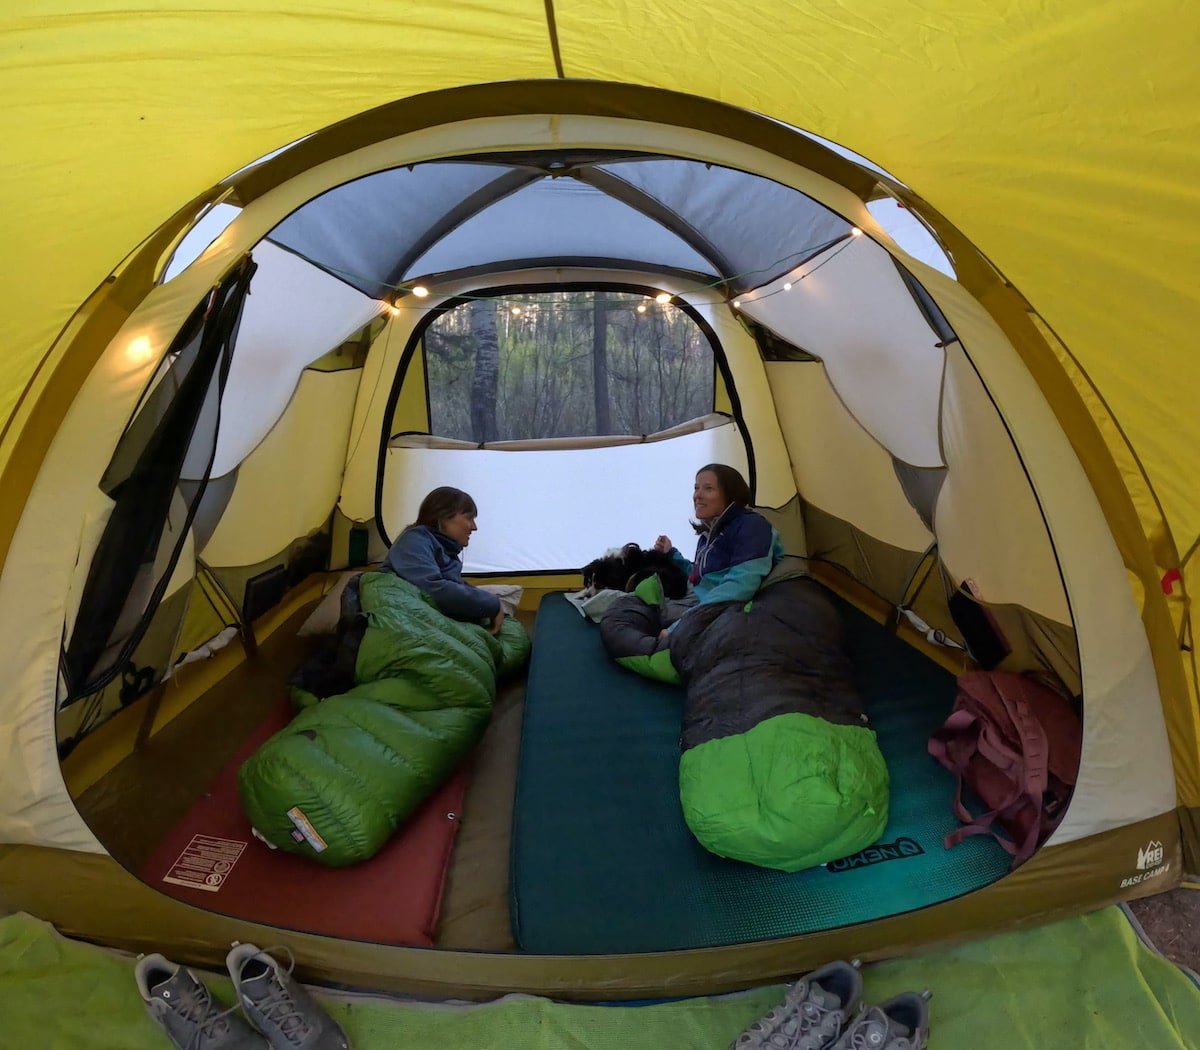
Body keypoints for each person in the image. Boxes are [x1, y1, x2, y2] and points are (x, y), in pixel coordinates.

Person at [653, 463, 782, 636]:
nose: (697, 495)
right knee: (626, 599)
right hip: (693, 602)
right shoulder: (707, 536)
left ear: (730, 494)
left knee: (623, 610)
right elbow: (700, 577)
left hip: (707, 610)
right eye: (696, 488)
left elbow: (740, 585)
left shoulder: (752, 527)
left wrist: (677, 628)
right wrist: (671, 553)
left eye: (708, 488)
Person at [382, 486, 504, 634]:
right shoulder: (414, 541)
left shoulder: (444, 550)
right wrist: (492, 604)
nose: (474, 527)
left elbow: (456, 586)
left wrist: (491, 602)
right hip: (400, 623)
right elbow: (433, 589)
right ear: (444, 517)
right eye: (469, 518)